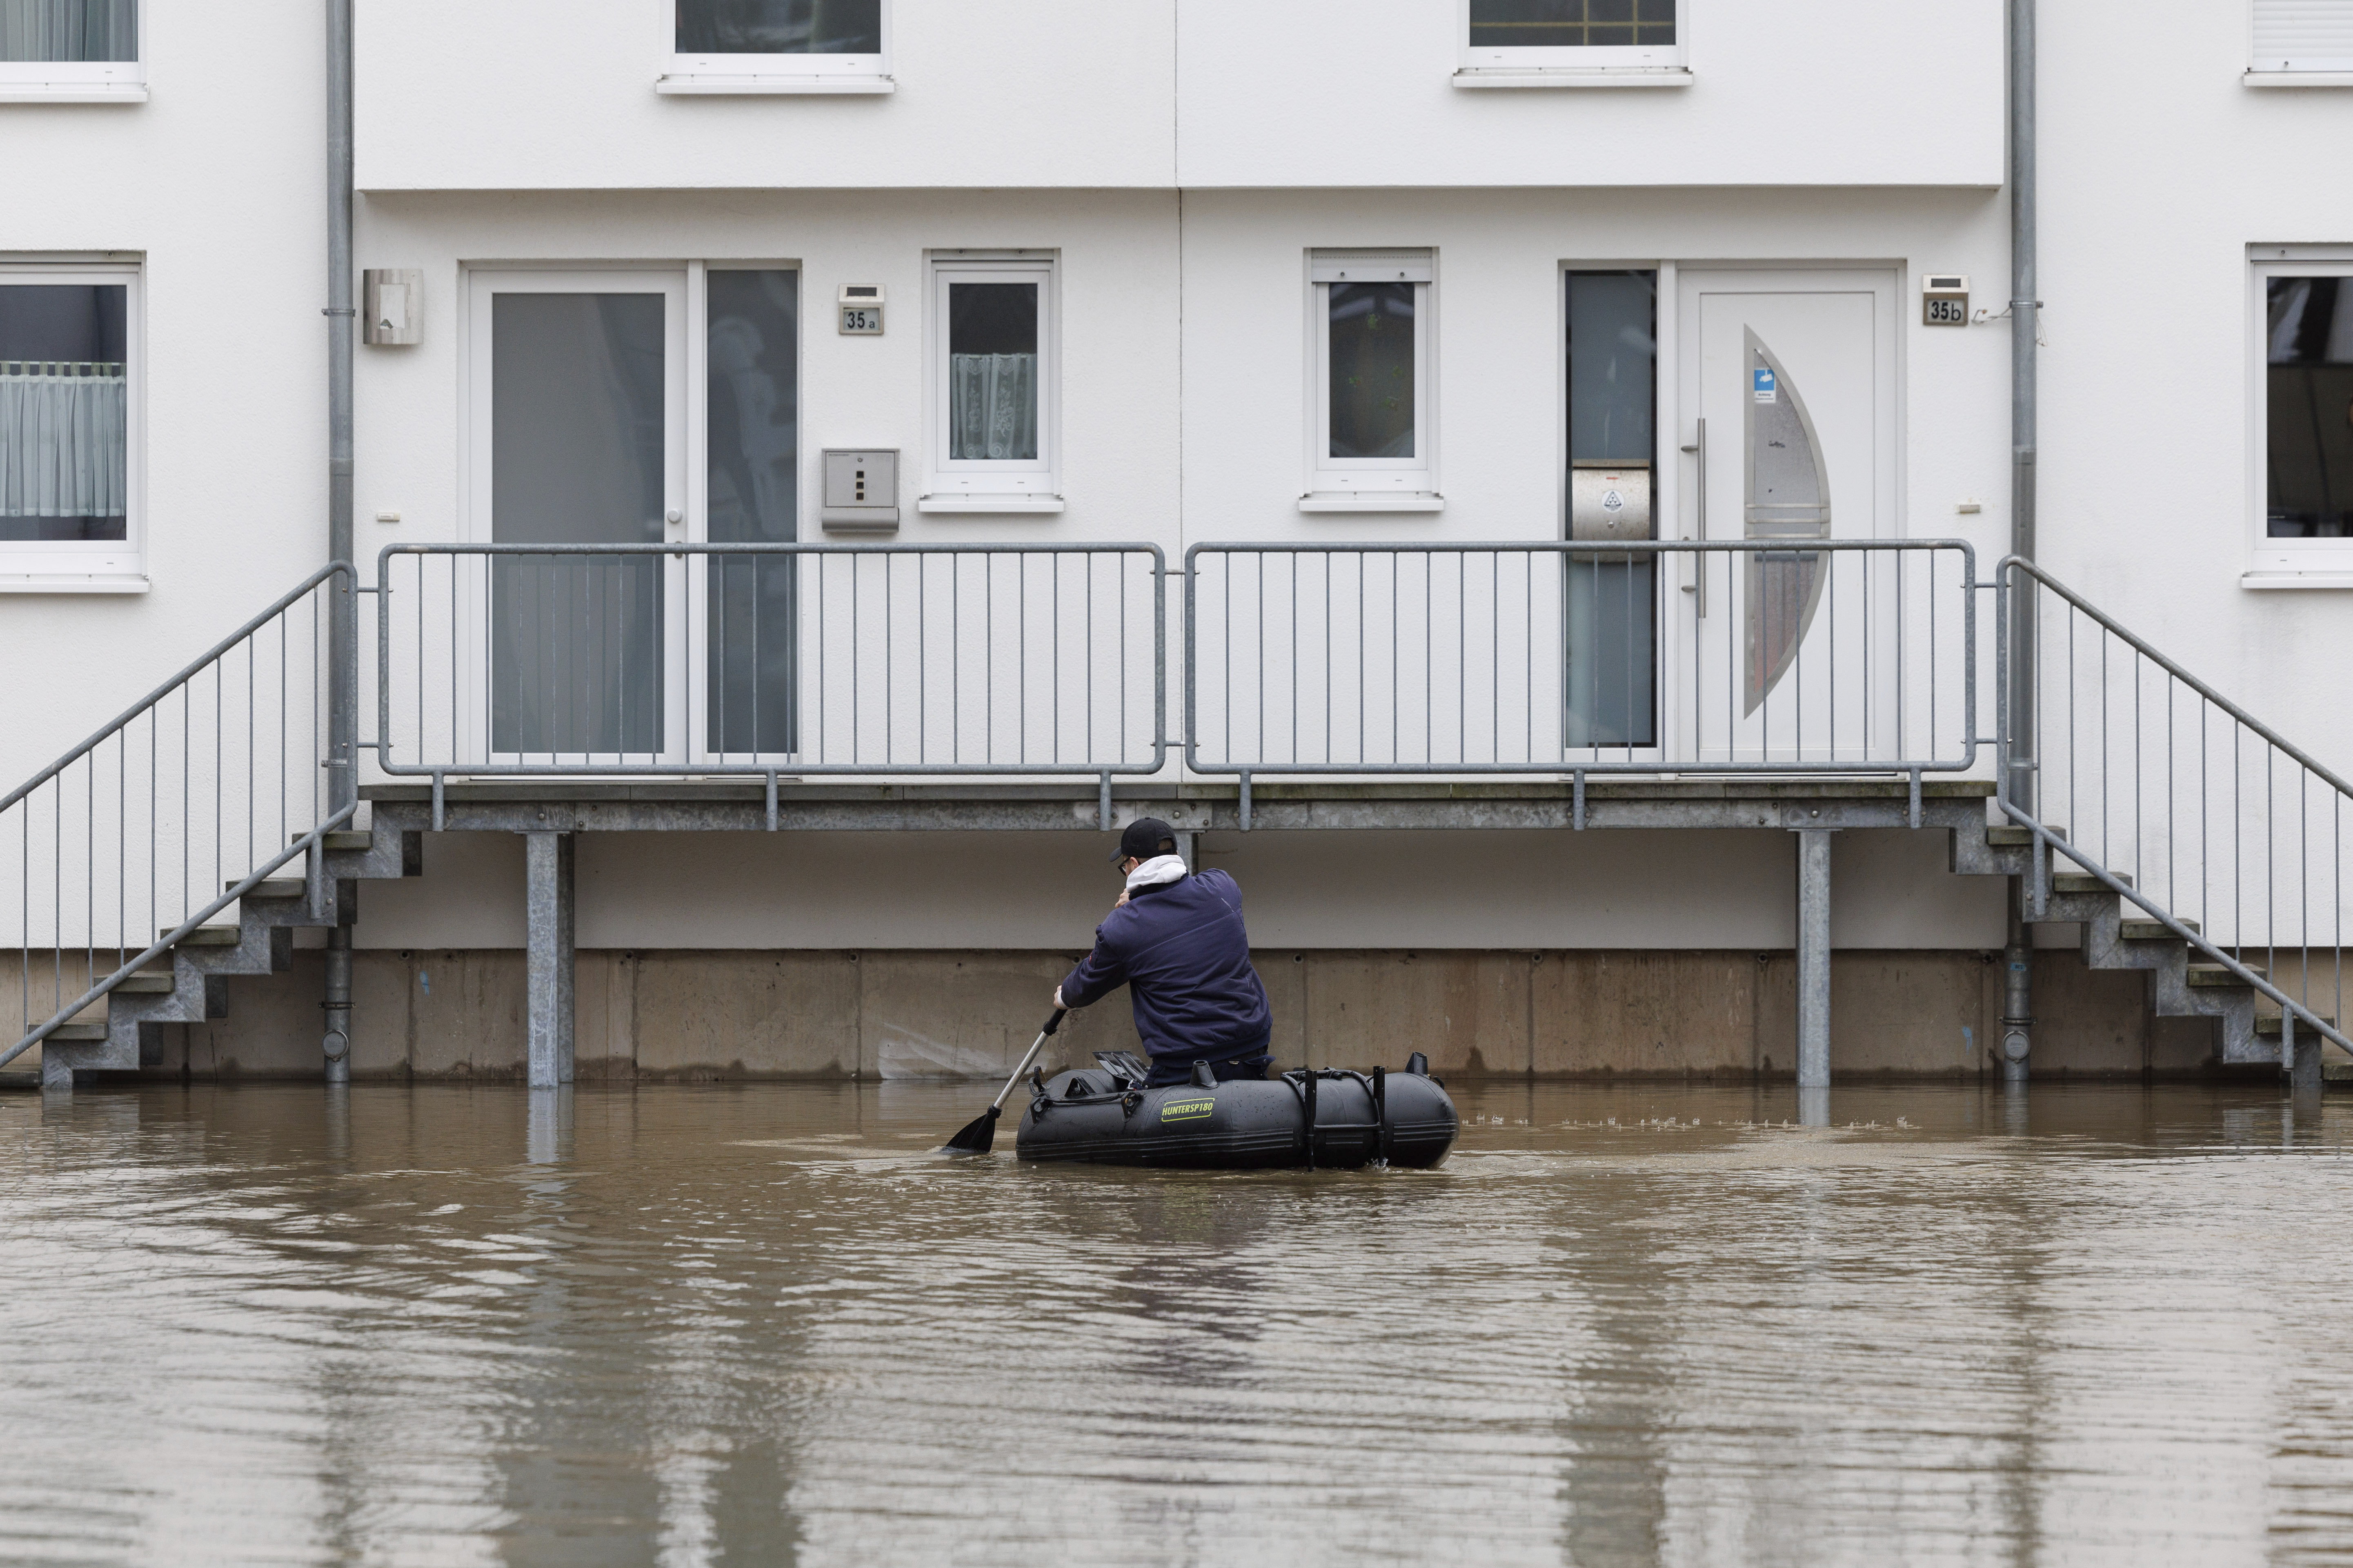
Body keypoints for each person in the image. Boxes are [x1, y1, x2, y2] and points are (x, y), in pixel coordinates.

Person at [1052, 817, 1274, 1087]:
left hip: (1184, 1061)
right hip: (1252, 1046)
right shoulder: (1223, 888)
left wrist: (1064, 996)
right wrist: (1141, 898)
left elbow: (1086, 985)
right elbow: (1183, 890)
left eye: (1124, 867)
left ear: (1133, 865)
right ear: (1177, 856)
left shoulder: (1122, 927)